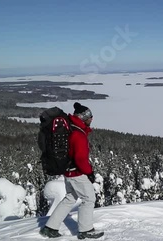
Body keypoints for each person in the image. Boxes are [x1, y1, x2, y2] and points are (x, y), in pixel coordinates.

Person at [40, 102, 104, 239]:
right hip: (77, 173)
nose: (92, 119)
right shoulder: (78, 135)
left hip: (68, 172)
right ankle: (86, 230)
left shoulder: (72, 129)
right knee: (89, 199)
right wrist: (89, 172)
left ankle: (50, 227)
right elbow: (80, 158)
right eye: (89, 116)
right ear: (82, 118)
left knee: (70, 198)